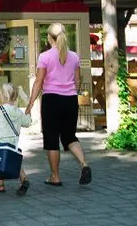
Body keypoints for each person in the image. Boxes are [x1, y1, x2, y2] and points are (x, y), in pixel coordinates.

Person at [25, 23, 92, 186]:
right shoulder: (74, 56)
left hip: (52, 100)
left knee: (52, 139)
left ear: (49, 37)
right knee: (70, 136)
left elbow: (39, 82)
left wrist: (30, 103)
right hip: (70, 100)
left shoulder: (45, 56)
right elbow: (77, 80)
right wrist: (71, 92)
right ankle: (84, 164)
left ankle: (55, 176)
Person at [0, 83, 32, 195]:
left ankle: (0, 185)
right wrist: (28, 110)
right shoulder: (18, 112)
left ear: (3, 96)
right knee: (13, 160)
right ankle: (24, 180)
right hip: (12, 142)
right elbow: (27, 122)